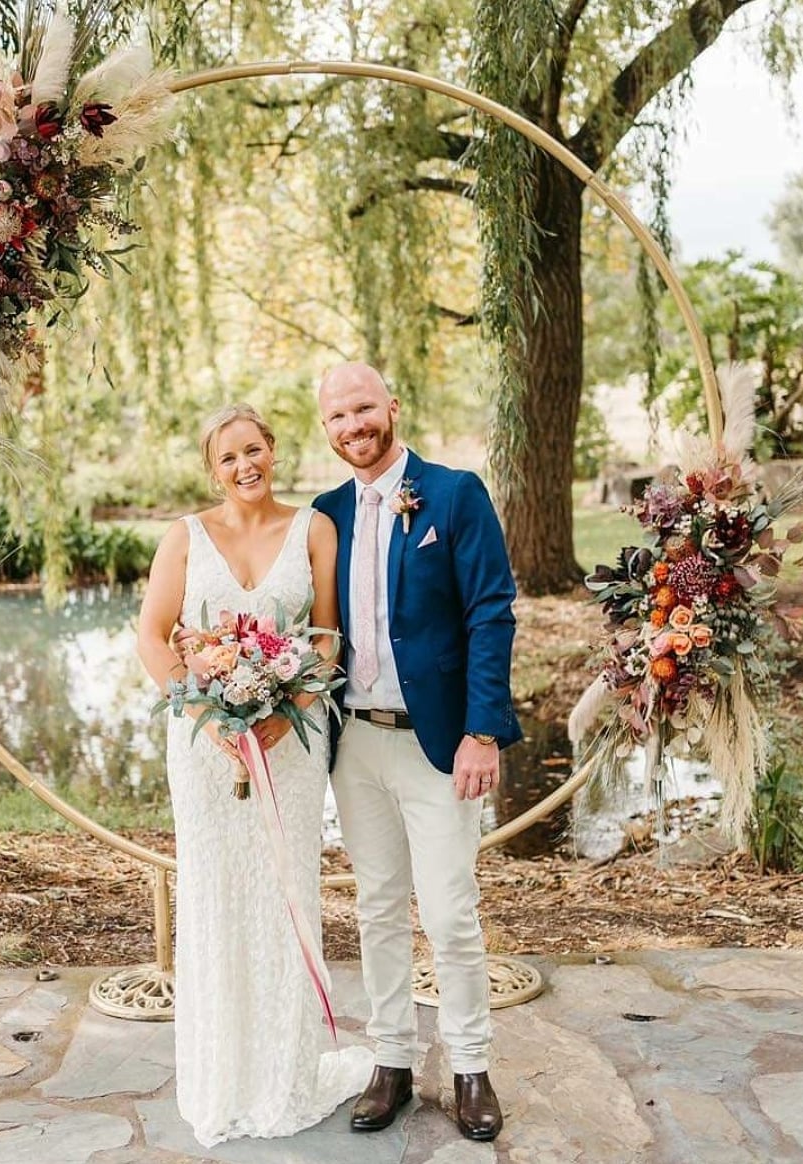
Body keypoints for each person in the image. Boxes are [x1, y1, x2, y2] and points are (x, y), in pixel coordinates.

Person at [136, 403, 372, 1149]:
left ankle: (284, 1072)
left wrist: (286, 707)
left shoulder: (315, 531)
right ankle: (221, 1075)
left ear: (274, 450)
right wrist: (210, 715)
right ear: (214, 469)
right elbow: (152, 634)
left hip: (292, 742)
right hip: (205, 748)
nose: (246, 466)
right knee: (214, 894)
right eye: (230, 457)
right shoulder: (185, 537)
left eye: (256, 450)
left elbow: (328, 637)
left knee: (283, 890)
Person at [313, 362, 521, 1143]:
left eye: (363, 408)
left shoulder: (454, 493)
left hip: (441, 745)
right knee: (375, 910)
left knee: (449, 912)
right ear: (326, 428)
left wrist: (483, 729)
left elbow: (492, 611)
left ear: (391, 407)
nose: (353, 425)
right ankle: (392, 1064)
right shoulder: (325, 513)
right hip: (355, 743)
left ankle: (470, 1066)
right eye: (337, 416)